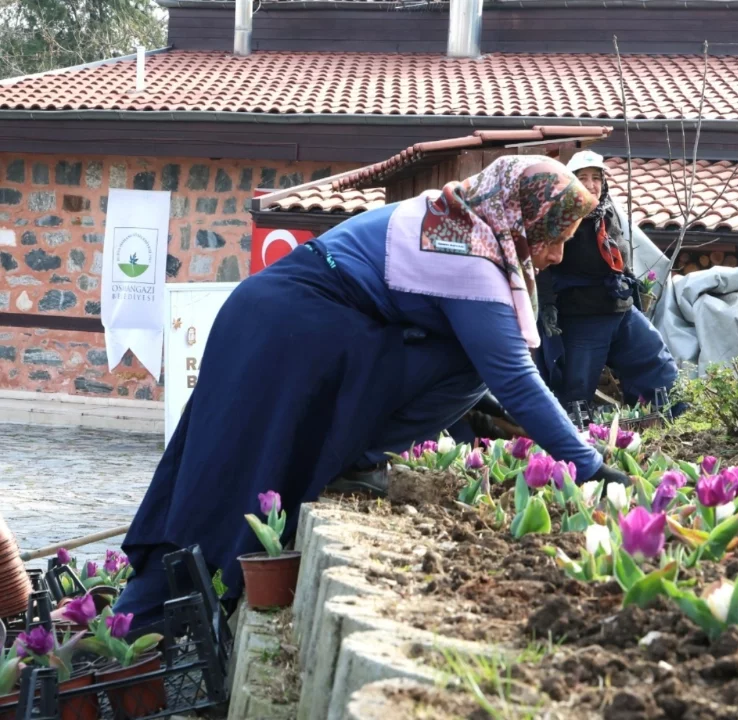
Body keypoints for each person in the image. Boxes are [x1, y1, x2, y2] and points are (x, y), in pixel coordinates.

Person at [114, 156, 631, 627]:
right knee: (228, 483)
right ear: (520, 218)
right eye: (551, 235)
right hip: (286, 332)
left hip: (287, 321)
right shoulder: (467, 255)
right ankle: (136, 629)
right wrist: (590, 468)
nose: (558, 254)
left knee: (227, 471)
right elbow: (513, 377)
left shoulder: (463, 218)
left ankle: (141, 622)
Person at [535, 150, 680, 410]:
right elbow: (543, 264)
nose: (591, 185)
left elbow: (618, 258)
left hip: (620, 310)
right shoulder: (560, 216)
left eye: (596, 178)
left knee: (658, 365)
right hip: (583, 316)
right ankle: (568, 444)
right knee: (575, 391)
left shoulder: (607, 213)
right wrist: (546, 305)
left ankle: (674, 421)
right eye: (583, 178)